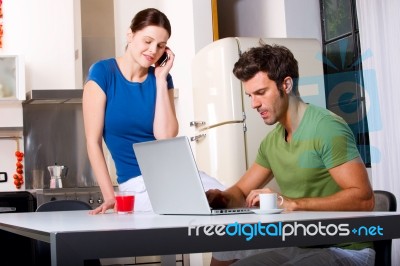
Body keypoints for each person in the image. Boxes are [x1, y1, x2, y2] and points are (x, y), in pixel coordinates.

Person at [206, 42, 376, 266]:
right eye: (250, 95)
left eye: (261, 92)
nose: (254, 104)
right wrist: (221, 197)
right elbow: (240, 191)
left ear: (285, 84)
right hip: (300, 244)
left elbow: (364, 199)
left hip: (347, 250)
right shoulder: (272, 141)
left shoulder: (326, 128)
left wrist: (293, 203)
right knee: (225, 249)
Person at [82, 8, 178, 214]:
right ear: (130, 35)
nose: (153, 50)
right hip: (136, 184)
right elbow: (93, 141)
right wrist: (110, 196)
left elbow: (165, 137)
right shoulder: (103, 73)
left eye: (161, 46)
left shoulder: (162, 79)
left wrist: (161, 80)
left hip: (173, 176)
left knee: (226, 201)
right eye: (148, 41)